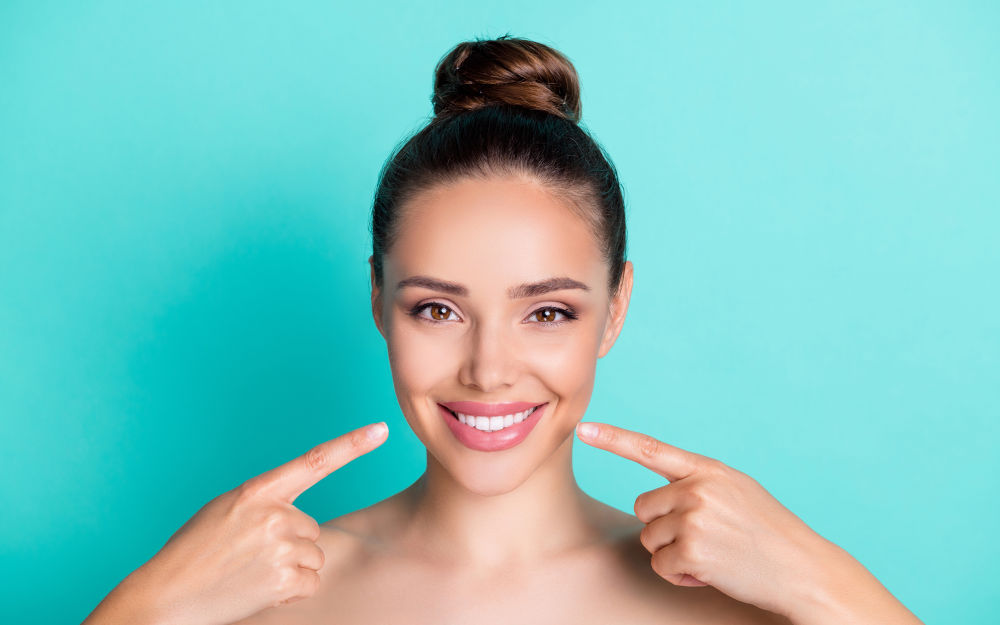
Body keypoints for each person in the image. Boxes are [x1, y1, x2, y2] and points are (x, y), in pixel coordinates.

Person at [82, 35, 924, 625]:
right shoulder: (247, 596)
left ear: (616, 308)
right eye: (437, 309)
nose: (488, 370)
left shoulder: (744, 597)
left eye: (548, 310)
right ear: (378, 301)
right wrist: (145, 607)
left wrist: (823, 582)